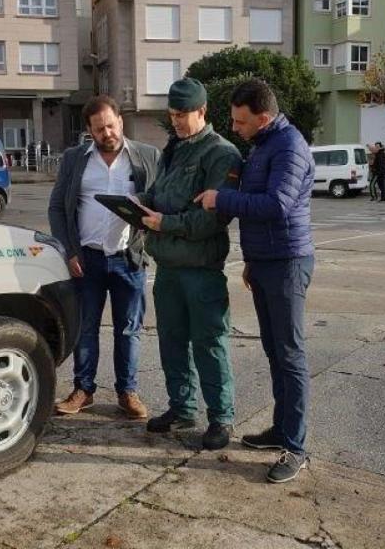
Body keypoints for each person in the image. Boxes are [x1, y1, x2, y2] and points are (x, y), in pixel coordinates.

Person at [194, 79, 316, 483]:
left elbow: (277, 205)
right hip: (266, 262)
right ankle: (281, 429)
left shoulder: (289, 146)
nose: (235, 128)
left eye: (240, 121)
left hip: (287, 263)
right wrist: (251, 260)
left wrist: (220, 199)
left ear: (263, 117)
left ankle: (295, 448)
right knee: (274, 353)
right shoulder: (265, 144)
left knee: (291, 356)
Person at [134, 77, 242, 450]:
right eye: (173, 114)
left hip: (201, 270)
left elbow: (212, 218)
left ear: (203, 111)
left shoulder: (222, 154)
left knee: (209, 343)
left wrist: (166, 223)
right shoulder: (174, 149)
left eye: (184, 114)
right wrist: (137, 203)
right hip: (167, 267)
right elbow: (161, 193)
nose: (177, 121)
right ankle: (182, 408)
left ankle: (221, 418)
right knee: (172, 340)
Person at [48, 95, 160, 419]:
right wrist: (68, 250)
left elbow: (160, 201)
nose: (107, 133)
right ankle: (84, 390)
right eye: (99, 129)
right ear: (89, 131)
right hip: (88, 260)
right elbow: (57, 207)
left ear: (120, 122)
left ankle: (127, 392)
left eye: (111, 125)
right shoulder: (74, 159)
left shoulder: (147, 157)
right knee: (85, 329)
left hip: (129, 260)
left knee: (129, 330)